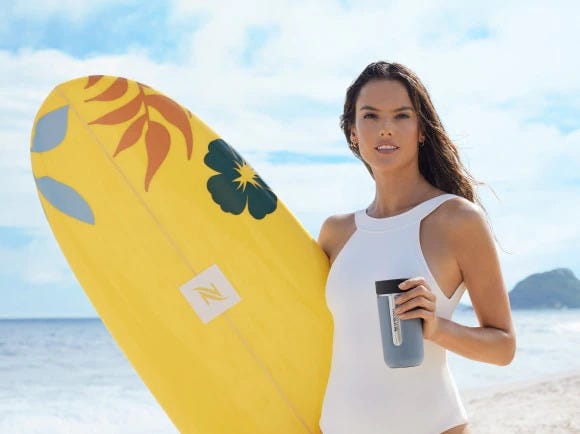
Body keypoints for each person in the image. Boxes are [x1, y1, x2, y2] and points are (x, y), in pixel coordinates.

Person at [317, 62, 516, 434]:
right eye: (370, 116)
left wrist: (436, 327)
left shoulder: (457, 220)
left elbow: (503, 347)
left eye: (401, 115)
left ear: (421, 130)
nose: (386, 128)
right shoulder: (335, 233)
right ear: (353, 132)